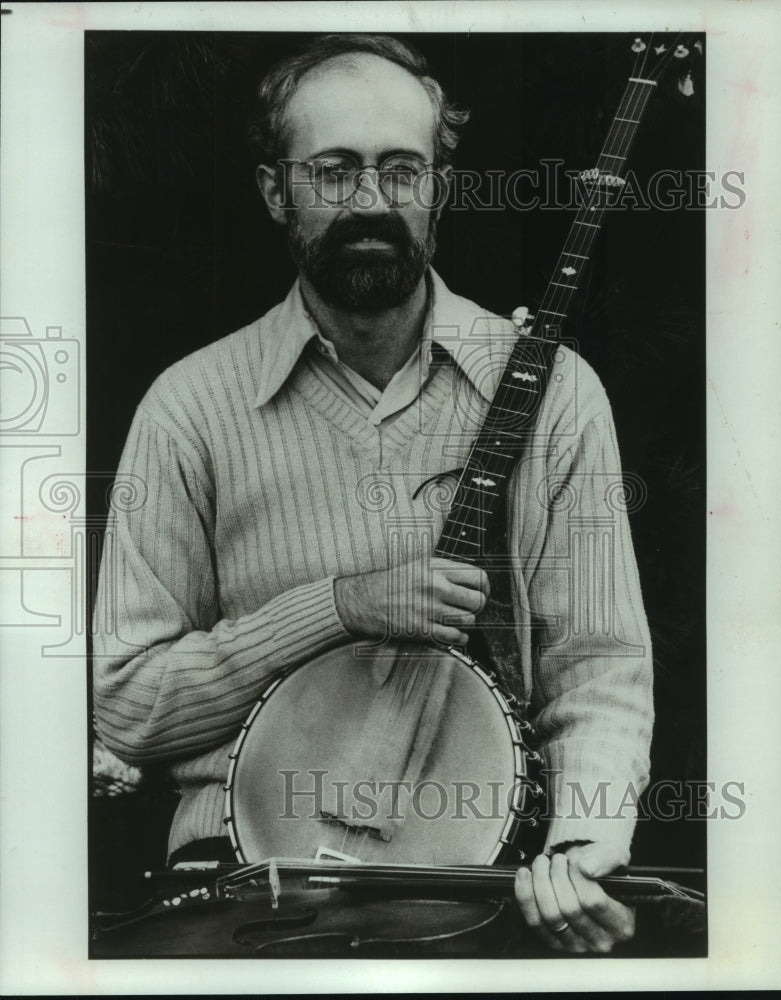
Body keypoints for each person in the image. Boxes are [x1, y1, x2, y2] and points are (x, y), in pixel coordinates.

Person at [93, 33, 653, 956]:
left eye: (402, 170)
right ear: (277, 191)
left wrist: (582, 850)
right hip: (239, 897)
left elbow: (597, 665)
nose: (370, 202)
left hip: (478, 891)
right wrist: (340, 608)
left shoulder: (552, 388)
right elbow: (129, 706)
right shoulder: (189, 406)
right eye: (335, 170)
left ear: (439, 185)